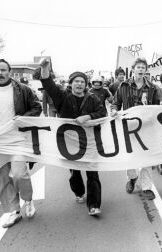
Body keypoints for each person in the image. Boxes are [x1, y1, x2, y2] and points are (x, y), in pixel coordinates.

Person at [39, 59, 107, 216]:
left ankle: (94, 205)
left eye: (82, 81)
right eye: (76, 81)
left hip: (90, 143)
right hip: (69, 143)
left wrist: (88, 117)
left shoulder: (93, 99)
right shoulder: (62, 97)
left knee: (92, 173)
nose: (79, 84)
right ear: (71, 83)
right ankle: (78, 192)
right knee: (75, 172)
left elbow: (103, 113)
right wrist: (44, 68)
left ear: (86, 84)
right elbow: (49, 85)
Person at [0, 59, 41, 228]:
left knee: (19, 174)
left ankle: (28, 200)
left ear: (9, 71)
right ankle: (14, 211)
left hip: (17, 140)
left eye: (3, 70)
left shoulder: (22, 90)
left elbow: (36, 108)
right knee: (3, 178)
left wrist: (23, 118)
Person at [111, 58, 162, 200]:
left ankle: (147, 188)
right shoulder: (124, 85)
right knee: (130, 156)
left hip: (146, 128)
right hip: (129, 127)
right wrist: (114, 110)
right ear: (133, 69)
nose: (141, 69)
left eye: (143, 67)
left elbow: (158, 106)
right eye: (138, 67)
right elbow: (115, 104)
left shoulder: (152, 88)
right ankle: (132, 178)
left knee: (147, 157)